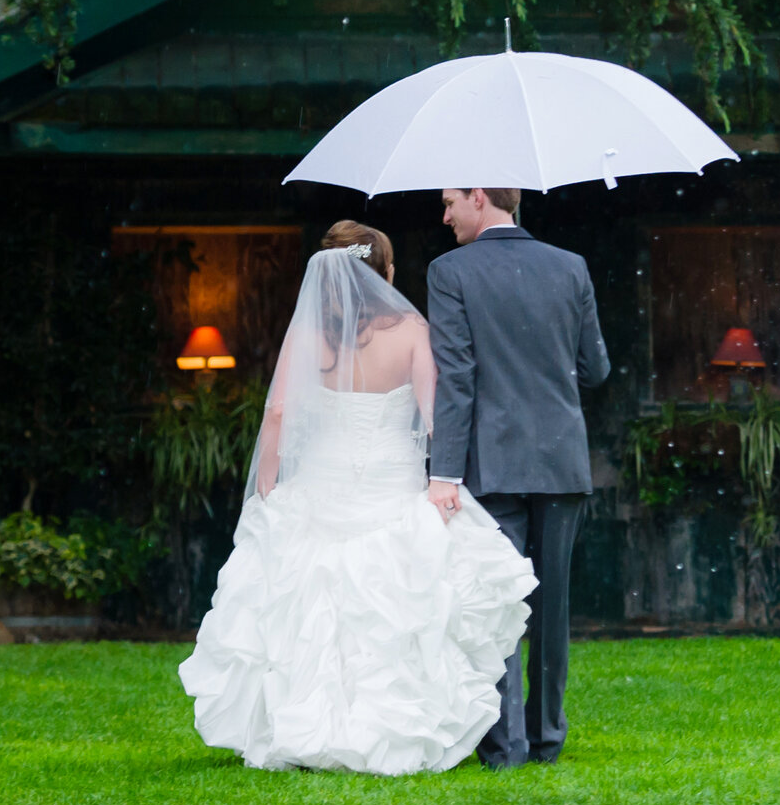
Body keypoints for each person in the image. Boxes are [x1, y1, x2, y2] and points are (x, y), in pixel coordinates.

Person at [178, 221, 538, 773]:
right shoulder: (413, 329)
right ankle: (390, 727)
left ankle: (306, 726)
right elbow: (435, 413)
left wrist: (269, 482)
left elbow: (277, 412)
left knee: (311, 605)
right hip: (390, 481)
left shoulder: (307, 335)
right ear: (385, 273)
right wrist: (444, 478)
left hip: (321, 482)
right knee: (393, 604)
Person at [425, 187, 610, 768]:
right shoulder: (571, 266)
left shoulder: (449, 270)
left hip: (491, 462)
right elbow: (596, 369)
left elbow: (456, 378)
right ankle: (548, 738)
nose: (446, 214)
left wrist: (443, 472)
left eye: (451, 201)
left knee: (498, 602)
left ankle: (506, 746)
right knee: (551, 605)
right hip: (560, 460)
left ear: (480, 197)